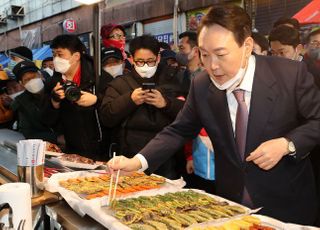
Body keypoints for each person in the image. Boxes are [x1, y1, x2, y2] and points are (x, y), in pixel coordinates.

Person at [108, 5, 320, 226]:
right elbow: (179, 129)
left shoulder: (289, 74)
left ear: (247, 46)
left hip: (286, 205)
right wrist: (137, 162)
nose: (212, 66)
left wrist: (287, 144)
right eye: (205, 55)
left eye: (220, 54)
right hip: (232, 206)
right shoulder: (201, 84)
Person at [100, 35, 185, 179]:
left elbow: (189, 114)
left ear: (158, 58)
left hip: (166, 157)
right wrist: (130, 100)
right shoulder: (119, 84)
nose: (145, 66)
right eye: (140, 61)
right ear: (131, 59)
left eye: (150, 61)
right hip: (128, 155)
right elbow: (106, 116)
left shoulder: (174, 79)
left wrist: (166, 103)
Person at [42, 35, 103, 160]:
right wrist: (54, 102)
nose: (56, 59)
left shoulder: (97, 77)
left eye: (60, 54)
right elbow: (46, 120)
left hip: (101, 148)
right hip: (71, 151)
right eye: (54, 55)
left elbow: (113, 108)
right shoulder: (52, 83)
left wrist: (97, 100)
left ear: (76, 56)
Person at [10, 61, 60, 143]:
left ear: (40, 75)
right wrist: (56, 138)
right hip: (48, 145)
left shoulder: (55, 88)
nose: (32, 81)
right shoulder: (22, 102)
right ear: (21, 83)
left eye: (34, 77)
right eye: (27, 80)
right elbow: (28, 132)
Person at [176, 31, 205, 95]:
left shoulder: (208, 76)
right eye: (178, 49)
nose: (178, 53)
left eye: (182, 48)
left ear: (195, 51)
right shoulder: (180, 75)